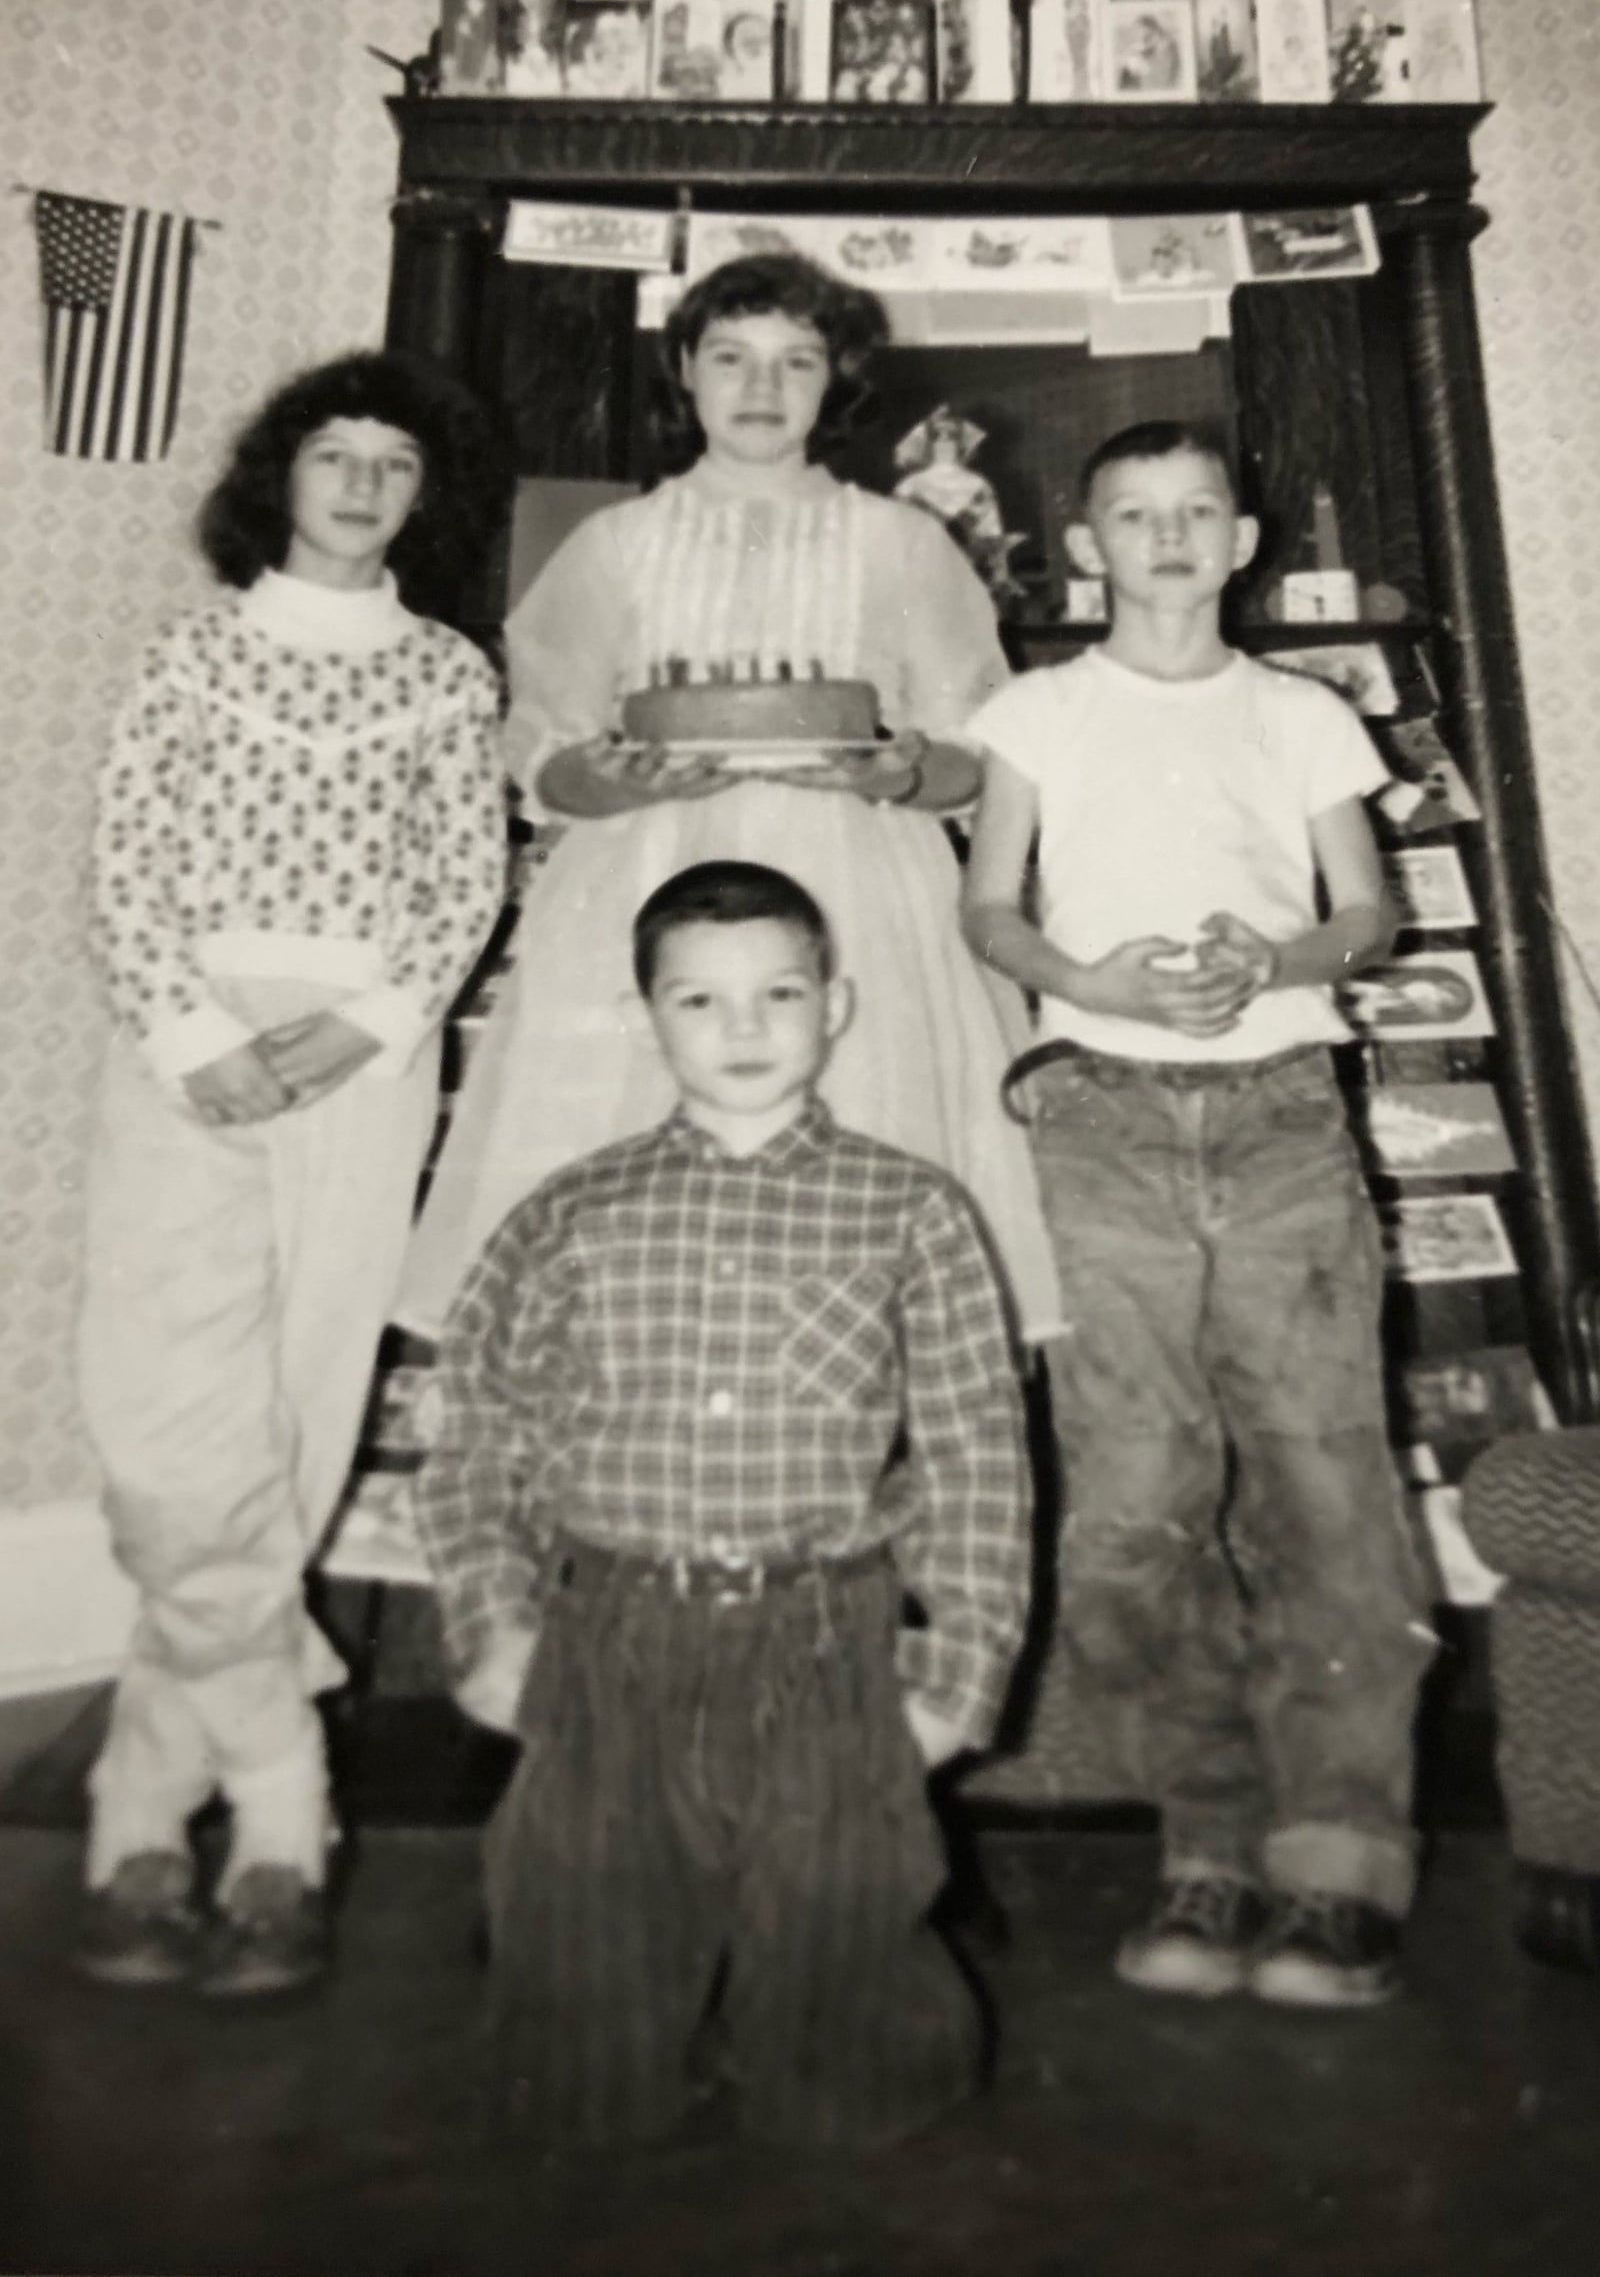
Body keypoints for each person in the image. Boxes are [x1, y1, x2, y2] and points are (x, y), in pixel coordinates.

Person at [414, 860, 1030, 2146]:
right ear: (649, 1018)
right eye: (699, 1001)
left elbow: (977, 1453)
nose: (743, 1030)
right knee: (577, 2065)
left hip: (822, 1640)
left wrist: (954, 1675)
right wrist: (492, 1625)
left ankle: (829, 2048)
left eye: (778, 994)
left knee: (852, 2037)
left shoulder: (911, 1209)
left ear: (836, 1005)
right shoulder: (570, 1213)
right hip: (609, 1636)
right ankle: (600, 2027)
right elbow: (476, 1425)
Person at [961, 420, 1436, 2010]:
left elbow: (1365, 912)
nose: (1166, 538)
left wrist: (1279, 960)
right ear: (1087, 546)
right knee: (1133, 1496)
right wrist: (1085, 979)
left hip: (1285, 1115)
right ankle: (1210, 1844)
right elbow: (990, 906)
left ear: (1242, 543)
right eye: (1130, 516)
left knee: (1320, 1482)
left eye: (1196, 513)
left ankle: (1343, 1863)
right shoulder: (1034, 711)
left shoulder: (1301, 714)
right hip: (1094, 1113)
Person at [395, 249, 1060, 1347]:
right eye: (731, 357)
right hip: (649, 878)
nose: (762, 386)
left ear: (832, 383)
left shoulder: (901, 541)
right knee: (637, 1203)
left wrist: (899, 771)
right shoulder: (614, 543)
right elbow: (541, 745)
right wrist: (595, 780)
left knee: (859, 1180)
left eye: (795, 361)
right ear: (687, 375)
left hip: (858, 894)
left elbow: (976, 747)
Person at [75, 351, 512, 1997]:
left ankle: (147, 1813)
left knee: (296, 1417)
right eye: (336, 455)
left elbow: (461, 878)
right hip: (182, 1054)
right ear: (283, 475)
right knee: (162, 1439)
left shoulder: (447, 671)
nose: (363, 485)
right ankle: (283, 1781)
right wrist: (194, 1031)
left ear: (423, 500)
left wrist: (371, 1022)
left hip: (361, 1066)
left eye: (397, 466)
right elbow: (123, 858)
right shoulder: (191, 650)